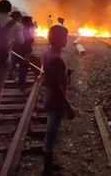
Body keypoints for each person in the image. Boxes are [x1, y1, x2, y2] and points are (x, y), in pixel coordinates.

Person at [43, 24, 75, 173]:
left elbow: (51, 76)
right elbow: (58, 87)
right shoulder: (58, 60)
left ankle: (48, 158)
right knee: (52, 131)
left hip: (48, 96)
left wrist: (65, 74)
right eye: (65, 37)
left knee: (51, 128)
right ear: (58, 39)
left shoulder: (48, 53)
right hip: (55, 100)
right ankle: (48, 165)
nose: (67, 40)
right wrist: (68, 107)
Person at [17, 16, 35, 89]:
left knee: (23, 66)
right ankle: (21, 83)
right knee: (24, 66)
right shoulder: (25, 30)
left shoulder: (25, 29)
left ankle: (21, 81)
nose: (31, 22)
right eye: (30, 21)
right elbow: (28, 40)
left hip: (25, 50)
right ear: (27, 22)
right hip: (25, 50)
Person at [9, 11, 23, 79]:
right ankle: (12, 74)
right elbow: (21, 40)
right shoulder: (18, 25)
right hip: (13, 46)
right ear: (18, 17)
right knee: (14, 61)